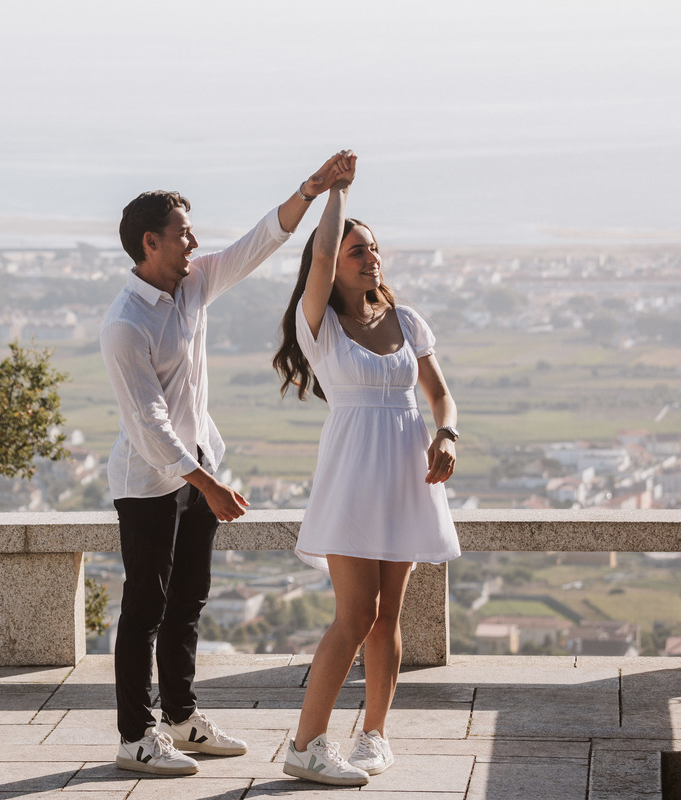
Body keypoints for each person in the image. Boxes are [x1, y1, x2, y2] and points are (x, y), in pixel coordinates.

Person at [101, 152, 351, 776]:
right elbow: (148, 426)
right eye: (184, 232)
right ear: (150, 241)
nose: (194, 241)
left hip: (199, 470)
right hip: (151, 483)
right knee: (144, 609)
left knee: (188, 601)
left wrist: (311, 190)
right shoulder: (125, 324)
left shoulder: (192, 284)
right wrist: (208, 485)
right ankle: (136, 734)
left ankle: (182, 720)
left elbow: (256, 244)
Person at [272, 150, 461, 786]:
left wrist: (448, 434)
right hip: (353, 478)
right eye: (358, 251)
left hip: (408, 474)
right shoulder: (317, 324)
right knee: (353, 617)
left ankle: (375, 735)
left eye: (373, 248)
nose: (369, 256)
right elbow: (319, 258)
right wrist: (336, 196)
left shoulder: (407, 321)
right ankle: (305, 744)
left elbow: (440, 395)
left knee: (388, 619)